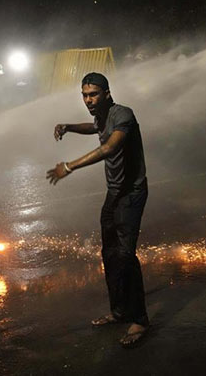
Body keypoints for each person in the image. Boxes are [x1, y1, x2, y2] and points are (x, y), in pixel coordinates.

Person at [47, 72, 149, 348]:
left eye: (93, 95)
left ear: (106, 93)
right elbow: (93, 127)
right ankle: (119, 311)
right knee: (109, 254)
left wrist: (69, 166)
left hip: (131, 194)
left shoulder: (122, 114)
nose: (88, 100)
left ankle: (139, 319)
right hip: (113, 194)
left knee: (126, 256)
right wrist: (68, 126)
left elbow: (110, 147)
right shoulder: (101, 116)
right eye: (84, 95)